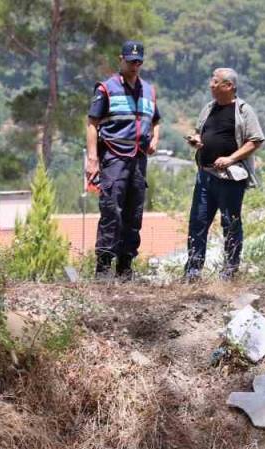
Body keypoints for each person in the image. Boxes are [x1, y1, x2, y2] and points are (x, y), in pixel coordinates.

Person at [86, 40, 161, 281]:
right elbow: (92, 124)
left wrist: (155, 140)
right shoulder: (106, 89)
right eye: (131, 61)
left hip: (138, 160)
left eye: (139, 62)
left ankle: (125, 268)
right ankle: (103, 268)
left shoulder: (149, 90)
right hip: (113, 156)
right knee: (112, 211)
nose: (135, 65)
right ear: (121, 59)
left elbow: (156, 121)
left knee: (134, 213)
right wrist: (92, 159)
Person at [184, 67, 265, 281]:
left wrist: (230, 158)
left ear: (228, 86)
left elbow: (255, 140)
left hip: (230, 178)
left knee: (230, 223)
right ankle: (192, 271)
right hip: (205, 175)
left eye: (215, 81)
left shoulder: (244, 110)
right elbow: (199, 131)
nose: (211, 84)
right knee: (198, 223)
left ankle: (229, 271)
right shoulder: (208, 108)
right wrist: (196, 140)